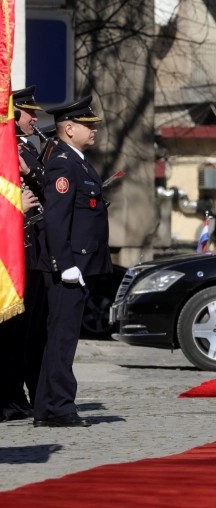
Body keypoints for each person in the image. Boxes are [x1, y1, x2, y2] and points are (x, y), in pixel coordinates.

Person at [33, 96, 113, 428]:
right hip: (70, 267)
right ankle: (59, 408)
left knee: (61, 337)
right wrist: (64, 264)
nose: (93, 130)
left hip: (80, 265)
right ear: (69, 128)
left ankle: (48, 407)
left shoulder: (78, 161)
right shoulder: (64, 164)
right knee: (62, 339)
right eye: (87, 125)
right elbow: (56, 218)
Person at [0, 86, 47, 421]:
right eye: (30, 112)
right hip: (10, 253)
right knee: (11, 332)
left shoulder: (26, 148)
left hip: (32, 250)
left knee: (28, 333)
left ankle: (18, 394)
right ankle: (8, 397)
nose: (35, 118)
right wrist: (18, 205)